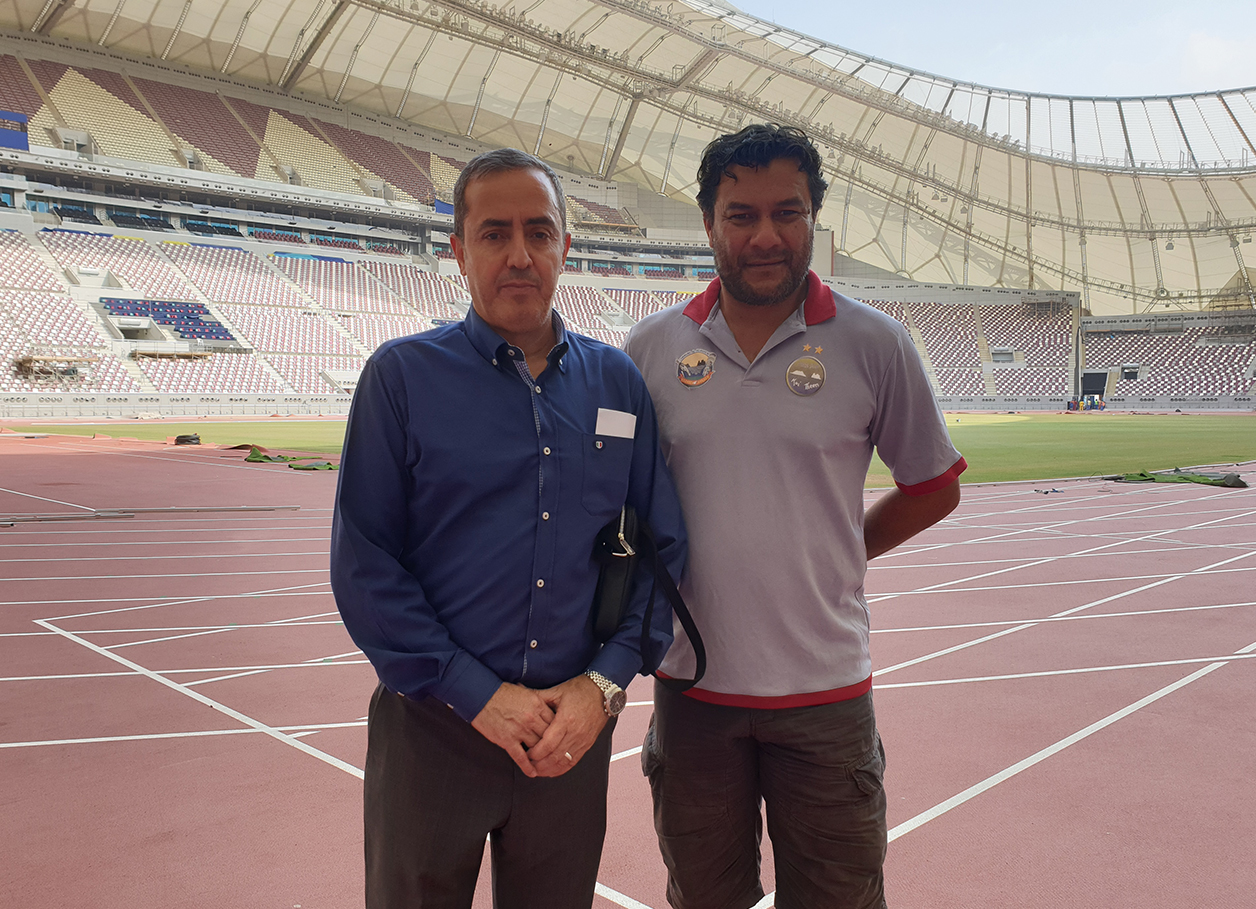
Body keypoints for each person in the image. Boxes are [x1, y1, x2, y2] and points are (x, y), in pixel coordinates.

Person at [330, 147, 685, 909]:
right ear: (459, 251)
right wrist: (477, 693)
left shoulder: (617, 383)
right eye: (494, 233)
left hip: (569, 731)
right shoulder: (401, 377)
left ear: (565, 246)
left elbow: (662, 549)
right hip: (432, 727)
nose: (520, 254)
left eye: (538, 231)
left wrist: (604, 683)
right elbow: (365, 562)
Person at [624, 124, 965, 909]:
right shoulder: (649, 349)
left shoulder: (876, 343)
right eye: (741, 215)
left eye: (789, 212)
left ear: (815, 217)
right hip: (693, 689)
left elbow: (934, 485)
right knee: (704, 898)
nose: (766, 236)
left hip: (826, 694)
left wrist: (845, 545)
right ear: (709, 223)